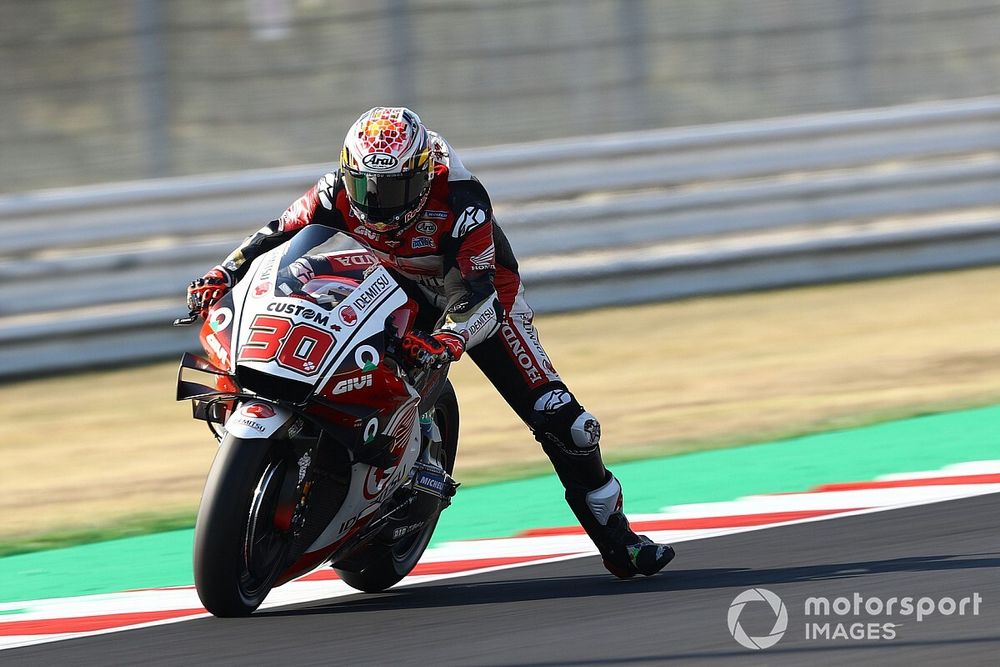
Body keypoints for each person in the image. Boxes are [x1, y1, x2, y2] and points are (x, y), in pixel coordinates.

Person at [186, 106, 674, 578]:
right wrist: (223, 272)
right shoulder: (337, 189)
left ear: (422, 176)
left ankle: (619, 542)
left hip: (478, 301)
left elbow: (479, 290)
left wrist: (449, 338)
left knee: (566, 422)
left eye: (392, 188)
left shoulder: (461, 201)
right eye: (365, 186)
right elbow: (278, 234)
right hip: (395, 282)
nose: (377, 202)